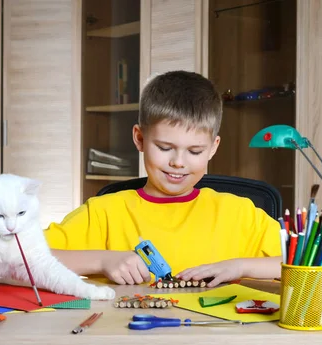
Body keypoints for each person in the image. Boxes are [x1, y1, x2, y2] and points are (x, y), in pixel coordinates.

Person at [44, 70, 281, 288]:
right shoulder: (103, 213)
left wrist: (240, 267)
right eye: (165, 147)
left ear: (212, 148)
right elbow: (13, 260)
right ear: (140, 138)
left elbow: (313, 264)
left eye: (195, 151)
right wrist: (101, 260)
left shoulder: (240, 214)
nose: (178, 162)